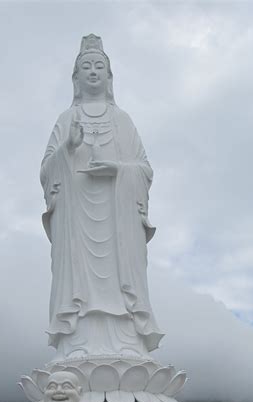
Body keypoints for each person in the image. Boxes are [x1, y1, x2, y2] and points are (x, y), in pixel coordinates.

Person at [40, 34, 163, 359]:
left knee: (122, 283)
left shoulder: (122, 120)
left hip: (117, 219)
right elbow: (46, 170)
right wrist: (68, 148)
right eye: (86, 66)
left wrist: (118, 170)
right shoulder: (66, 120)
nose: (93, 71)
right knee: (77, 278)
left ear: (109, 77)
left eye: (99, 66)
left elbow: (144, 169)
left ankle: (128, 344)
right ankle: (77, 343)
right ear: (76, 77)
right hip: (77, 217)